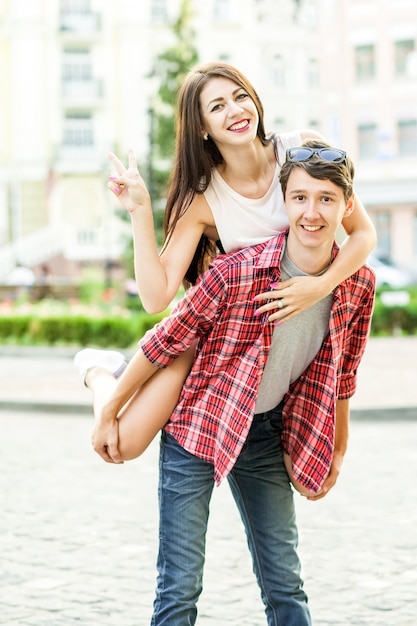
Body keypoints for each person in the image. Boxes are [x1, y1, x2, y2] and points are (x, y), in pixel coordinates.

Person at [86, 141, 376, 624]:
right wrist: (112, 407)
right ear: (285, 202)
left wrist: (339, 448)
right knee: (180, 585)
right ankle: (100, 376)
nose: (312, 212)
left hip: (264, 433)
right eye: (300, 198)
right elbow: (166, 339)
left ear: (347, 206)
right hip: (198, 427)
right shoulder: (236, 272)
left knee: (285, 582)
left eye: (326, 199)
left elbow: (346, 371)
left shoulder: (357, 283)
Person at [74, 61, 376, 464]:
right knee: (122, 447)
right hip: (214, 330)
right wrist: (140, 212)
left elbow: (363, 234)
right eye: (217, 107)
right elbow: (156, 297)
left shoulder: (301, 150)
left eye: (239, 97)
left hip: (268, 346)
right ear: (202, 127)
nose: (235, 111)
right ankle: (101, 373)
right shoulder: (204, 198)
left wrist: (320, 286)